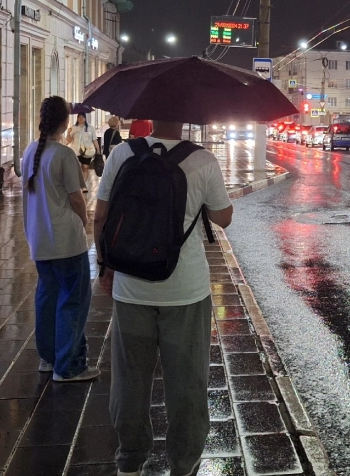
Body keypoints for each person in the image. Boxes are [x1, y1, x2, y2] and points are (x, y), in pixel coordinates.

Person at [94, 118, 234, 476]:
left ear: (150, 116)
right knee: (187, 385)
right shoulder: (202, 161)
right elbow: (223, 217)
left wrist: (106, 268)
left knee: (129, 380)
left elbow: (101, 218)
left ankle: (129, 461)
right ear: (186, 117)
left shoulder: (122, 153)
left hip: (130, 286)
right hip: (186, 291)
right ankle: (183, 466)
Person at [22, 96, 100, 384]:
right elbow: (75, 198)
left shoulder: (31, 151)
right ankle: (69, 365)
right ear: (65, 122)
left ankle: (49, 357)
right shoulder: (64, 155)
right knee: (74, 300)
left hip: (40, 238)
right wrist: (85, 219)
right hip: (65, 240)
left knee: (47, 298)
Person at [67, 112, 97, 192]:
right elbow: (69, 140)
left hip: (87, 151)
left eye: (82, 117)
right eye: (79, 117)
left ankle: (84, 185)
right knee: (77, 168)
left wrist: (98, 150)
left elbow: (94, 139)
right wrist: (68, 133)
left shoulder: (90, 128)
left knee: (85, 167)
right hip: (76, 150)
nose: (81, 119)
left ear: (85, 118)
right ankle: (77, 185)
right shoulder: (73, 128)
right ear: (77, 118)